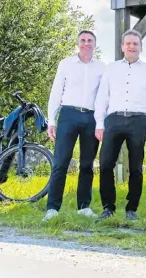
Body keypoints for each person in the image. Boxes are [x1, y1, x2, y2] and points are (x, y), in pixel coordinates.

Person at [94, 29, 146, 221]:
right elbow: (102, 97)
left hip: (138, 121)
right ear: (122, 46)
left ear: (141, 47)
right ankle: (108, 207)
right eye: (128, 43)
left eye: (135, 44)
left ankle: (132, 209)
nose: (132, 47)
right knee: (106, 164)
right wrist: (99, 123)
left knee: (136, 167)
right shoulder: (111, 69)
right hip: (113, 120)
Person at [43, 30, 105, 222]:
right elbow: (56, 92)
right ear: (78, 43)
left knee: (87, 164)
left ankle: (83, 206)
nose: (86, 43)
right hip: (68, 115)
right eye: (83, 40)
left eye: (90, 40)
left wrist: (101, 123)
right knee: (60, 162)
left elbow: (104, 98)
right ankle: (52, 208)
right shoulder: (66, 64)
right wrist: (51, 120)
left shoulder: (102, 68)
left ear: (95, 44)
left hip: (91, 118)